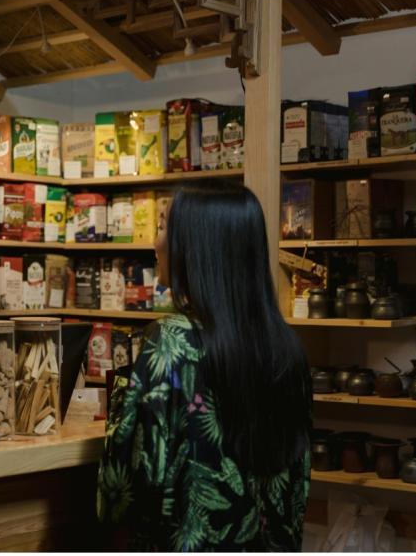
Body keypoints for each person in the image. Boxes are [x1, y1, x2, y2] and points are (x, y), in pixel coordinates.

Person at [97, 179, 311, 551]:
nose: (155, 242)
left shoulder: (171, 343)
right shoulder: (286, 347)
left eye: (162, 227)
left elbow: (124, 488)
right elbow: (297, 486)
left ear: (195, 247)